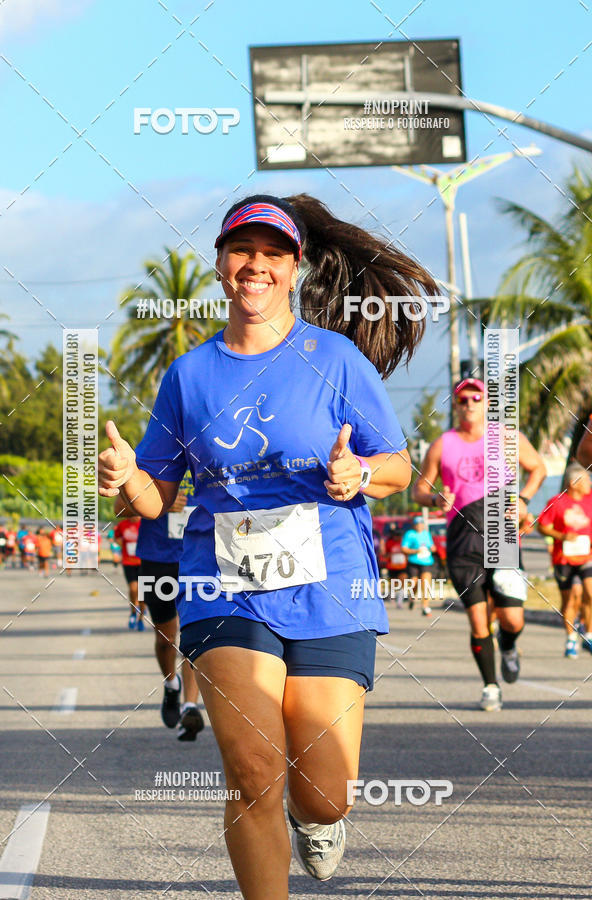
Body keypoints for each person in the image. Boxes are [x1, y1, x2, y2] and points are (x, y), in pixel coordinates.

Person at [98, 192, 437, 896]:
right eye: (241, 251)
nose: (256, 265)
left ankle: (320, 817)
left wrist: (361, 472)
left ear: (294, 268)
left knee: (323, 791)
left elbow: (399, 466)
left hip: (328, 586)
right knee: (253, 772)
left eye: (272, 254)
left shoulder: (336, 360)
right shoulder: (189, 375)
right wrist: (130, 475)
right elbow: (158, 497)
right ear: (221, 266)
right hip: (224, 588)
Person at [414, 378, 546, 712]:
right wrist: (434, 497)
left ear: (486, 403)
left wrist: (525, 500)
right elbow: (419, 489)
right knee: (477, 619)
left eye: (476, 397)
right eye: (462, 399)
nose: (469, 403)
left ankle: (510, 645)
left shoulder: (506, 437)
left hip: (502, 534)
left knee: (513, 619)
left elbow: (538, 469)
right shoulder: (442, 444)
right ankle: (490, 686)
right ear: (456, 405)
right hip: (462, 540)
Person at [115, 489, 205, 741]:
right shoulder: (150, 454)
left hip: (202, 556)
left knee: (194, 632)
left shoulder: (216, 452)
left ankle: (190, 706)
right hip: (156, 559)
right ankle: (170, 684)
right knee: (165, 638)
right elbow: (119, 510)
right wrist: (158, 504)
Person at [538, 462, 592, 657]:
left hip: (587, 556)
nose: (589, 483)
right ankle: (571, 638)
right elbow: (542, 526)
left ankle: (589, 635)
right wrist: (561, 537)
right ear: (573, 482)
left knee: (589, 592)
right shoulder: (557, 501)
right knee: (571, 600)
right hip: (564, 558)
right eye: (586, 480)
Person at [400, 516, 436, 616]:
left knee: (425, 582)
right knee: (415, 583)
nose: (419, 526)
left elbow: (431, 545)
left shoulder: (427, 533)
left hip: (427, 561)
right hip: (414, 561)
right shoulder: (410, 534)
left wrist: (433, 548)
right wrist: (415, 551)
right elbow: (404, 548)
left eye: (421, 524)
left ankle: (425, 607)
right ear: (414, 525)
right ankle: (412, 598)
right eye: (417, 524)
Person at [113, 516, 143, 629]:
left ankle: (140, 618)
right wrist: (124, 544)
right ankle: (133, 612)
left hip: (143, 561)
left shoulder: (145, 523)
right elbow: (117, 537)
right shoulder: (122, 524)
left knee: (143, 592)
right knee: (133, 588)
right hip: (128, 562)